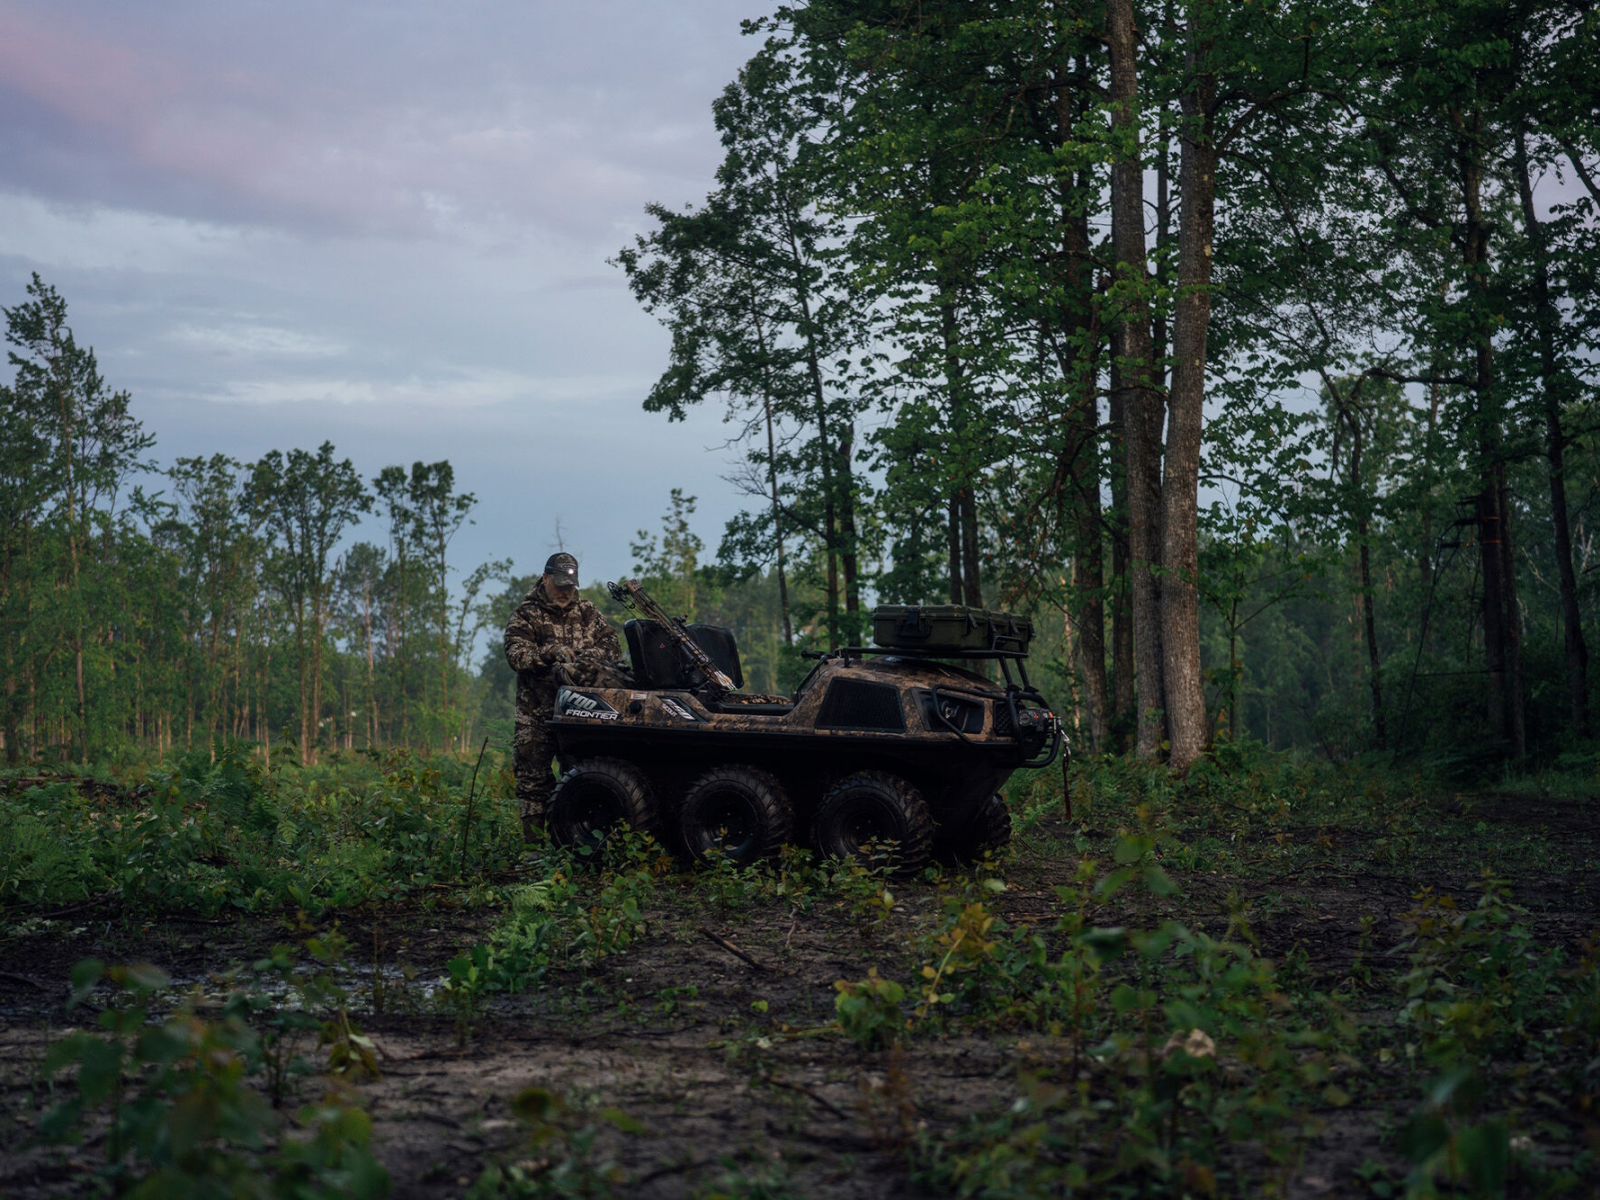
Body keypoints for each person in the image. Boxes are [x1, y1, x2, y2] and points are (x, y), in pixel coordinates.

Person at [502, 552, 627, 839]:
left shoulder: (587, 612)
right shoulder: (526, 613)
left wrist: (586, 657)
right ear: (545, 579)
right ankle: (534, 849)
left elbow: (612, 647)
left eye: (570, 587)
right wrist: (549, 654)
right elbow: (516, 654)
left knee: (581, 779)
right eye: (560, 586)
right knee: (532, 782)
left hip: (581, 716)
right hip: (537, 714)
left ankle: (574, 845)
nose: (565, 592)